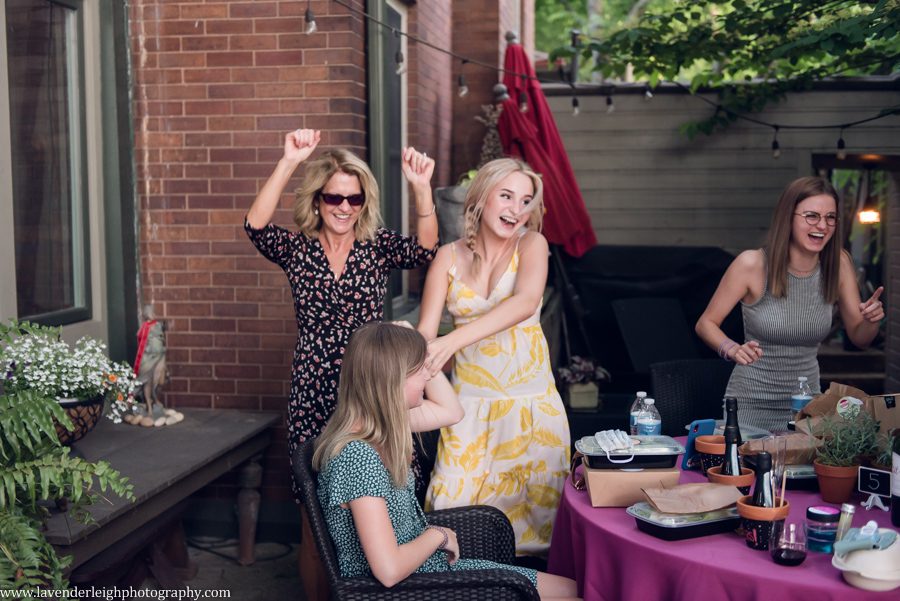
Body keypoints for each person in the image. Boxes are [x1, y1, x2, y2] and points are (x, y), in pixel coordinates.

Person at [245, 128, 438, 600]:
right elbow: (254, 224)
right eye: (334, 197)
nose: (344, 208)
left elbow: (426, 249)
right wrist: (289, 160)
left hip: (371, 392)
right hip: (313, 390)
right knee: (315, 521)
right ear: (317, 199)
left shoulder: (375, 247)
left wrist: (420, 188)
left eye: (354, 200)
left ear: (363, 203)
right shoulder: (297, 249)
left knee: (378, 507)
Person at [313, 322, 579, 600]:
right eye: (420, 370)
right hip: (419, 587)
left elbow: (451, 411)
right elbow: (388, 570)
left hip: (431, 574)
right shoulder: (358, 456)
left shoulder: (380, 426)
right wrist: (438, 535)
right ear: (394, 378)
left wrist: (423, 349)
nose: (427, 377)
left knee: (578, 590)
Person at [417, 158, 571, 557]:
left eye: (525, 201)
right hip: (465, 412)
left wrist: (454, 342)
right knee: (451, 521)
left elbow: (524, 303)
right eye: (506, 196)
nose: (516, 210)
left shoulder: (532, 244)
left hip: (531, 412)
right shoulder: (447, 259)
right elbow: (424, 339)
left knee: (537, 536)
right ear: (481, 197)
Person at [696, 176, 884, 431]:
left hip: (807, 406)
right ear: (788, 217)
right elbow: (706, 323)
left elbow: (860, 338)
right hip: (751, 405)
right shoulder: (751, 264)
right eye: (811, 216)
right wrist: (731, 348)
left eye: (830, 217)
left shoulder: (838, 265)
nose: (823, 225)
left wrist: (872, 322)